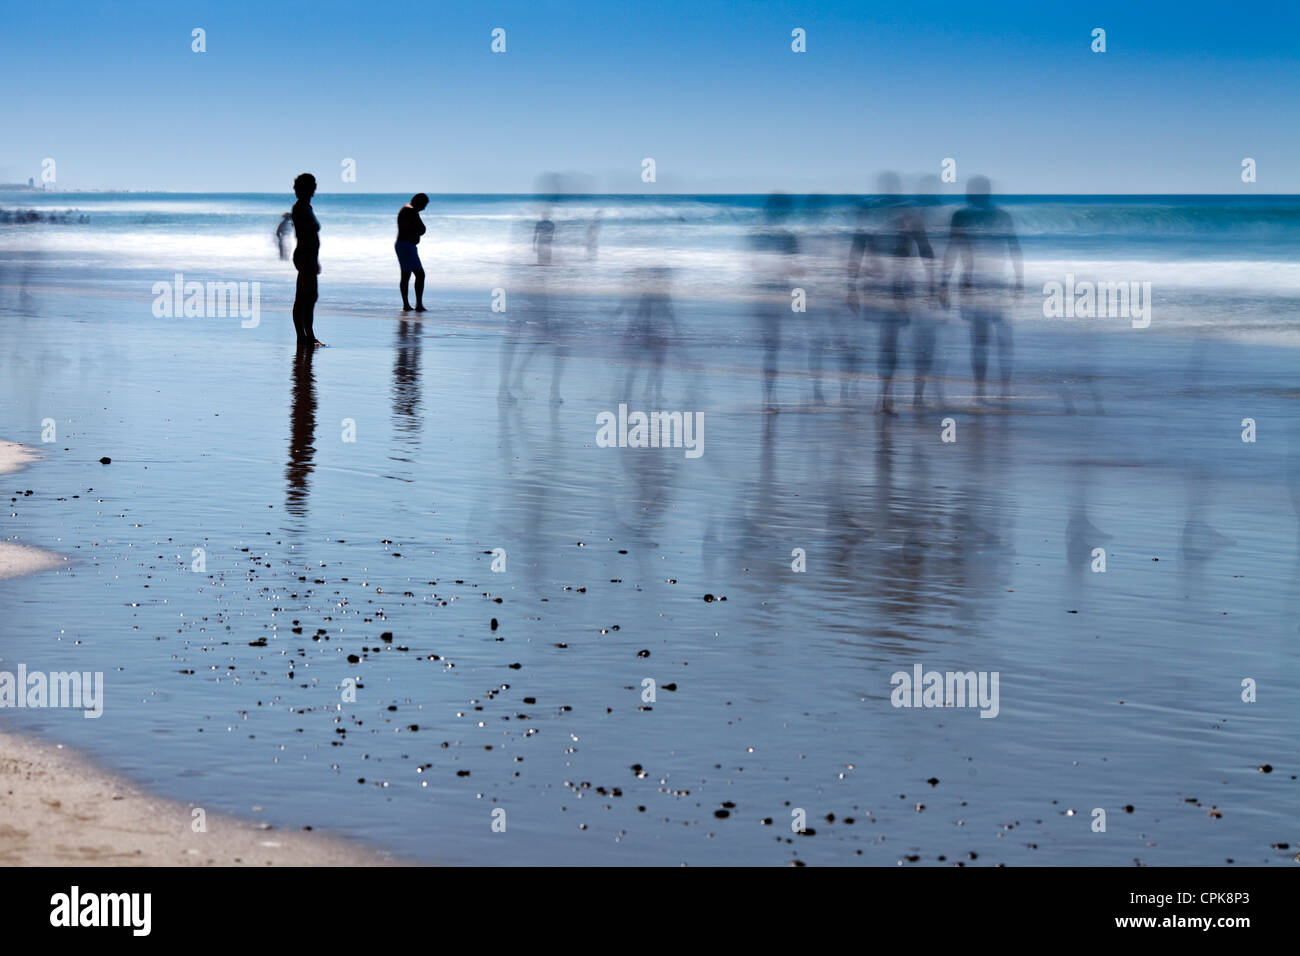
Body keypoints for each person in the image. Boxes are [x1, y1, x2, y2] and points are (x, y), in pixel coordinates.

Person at [940, 175, 1021, 404]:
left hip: (973, 283)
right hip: (994, 282)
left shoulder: (961, 216)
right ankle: (1002, 390)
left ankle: (981, 392)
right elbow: (1014, 248)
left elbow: (952, 249)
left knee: (980, 341)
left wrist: (944, 283)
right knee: (1002, 338)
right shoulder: (1001, 216)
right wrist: (1018, 282)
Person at [291, 173, 324, 347]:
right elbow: (304, 235)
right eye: (311, 186)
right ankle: (306, 337)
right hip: (305, 255)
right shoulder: (300, 208)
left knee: (304, 297)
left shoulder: (305, 207)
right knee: (309, 297)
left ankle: (304, 337)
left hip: (308, 256)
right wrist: (310, 259)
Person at [395, 193, 429, 312]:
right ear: (418, 202)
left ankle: (412, 305)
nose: (424, 208)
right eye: (424, 205)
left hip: (407, 246)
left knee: (414, 275)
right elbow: (420, 228)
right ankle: (411, 305)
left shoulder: (409, 210)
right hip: (406, 246)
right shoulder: (410, 210)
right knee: (413, 275)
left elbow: (420, 229)